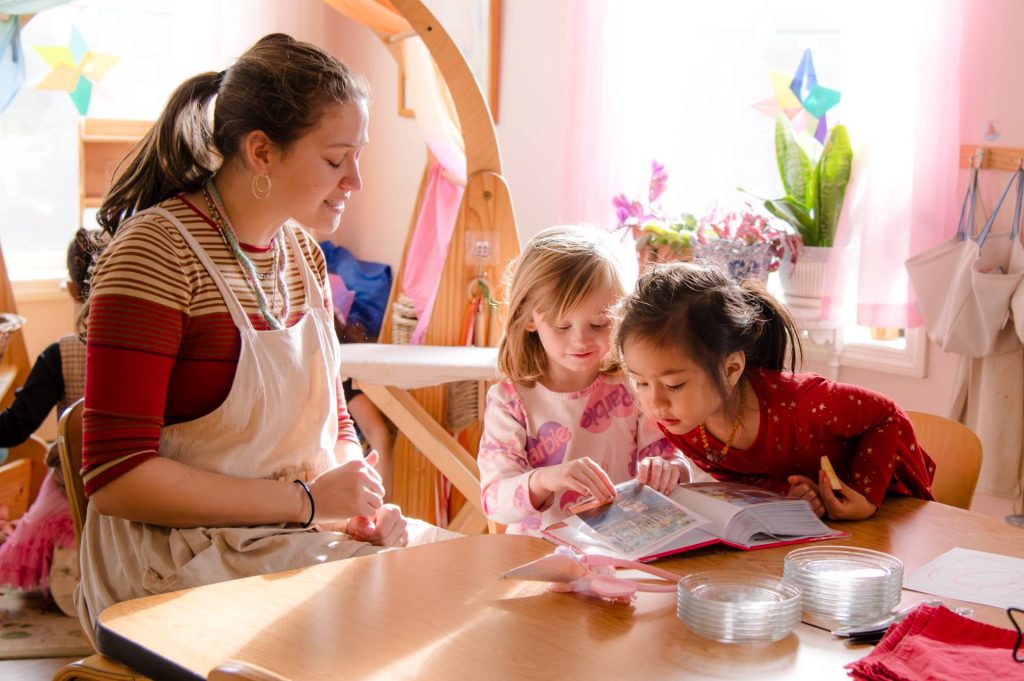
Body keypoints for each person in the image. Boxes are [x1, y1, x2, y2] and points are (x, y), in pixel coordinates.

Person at [76, 33, 450, 636]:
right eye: (335, 159)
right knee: (413, 613)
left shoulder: (301, 252)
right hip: (169, 566)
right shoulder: (155, 254)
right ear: (261, 152)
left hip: (285, 537)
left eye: (358, 155)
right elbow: (116, 480)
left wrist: (357, 497)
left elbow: (331, 418)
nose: (354, 179)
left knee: (463, 576)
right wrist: (307, 503)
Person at [615, 261, 936, 521]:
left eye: (674, 385)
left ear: (730, 369)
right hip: (819, 530)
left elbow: (884, 415)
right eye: (640, 382)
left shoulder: (804, 404)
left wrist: (865, 495)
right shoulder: (681, 417)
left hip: (890, 506)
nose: (654, 403)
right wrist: (792, 493)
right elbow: (750, 471)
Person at [478, 225, 691, 535]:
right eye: (562, 326)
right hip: (538, 553)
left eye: (599, 324)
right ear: (527, 318)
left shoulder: (633, 385)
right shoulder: (511, 400)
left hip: (623, 545)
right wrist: (547, 479)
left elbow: (669, 458)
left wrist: (671, 469)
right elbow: (495, 501)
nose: (580, 341)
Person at [0, 229, 91, 596]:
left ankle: (72, 565)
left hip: (74, 491)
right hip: (138, 488)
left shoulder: (61, 354)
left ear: (71, 290)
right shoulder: (152, 346)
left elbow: (13, 430)